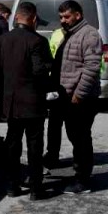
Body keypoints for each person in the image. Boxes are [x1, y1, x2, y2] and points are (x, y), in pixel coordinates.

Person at [0, 1, 54, 201]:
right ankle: (35, 188)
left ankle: (12, 186)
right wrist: (49, 68)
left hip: (11, 102)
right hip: (32, 103)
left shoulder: (3, 40)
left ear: (16, 18)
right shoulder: (37, 41)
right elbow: (39, 70)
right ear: (32, 19)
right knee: (34, 146)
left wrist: (4, 80)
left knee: (12, 146)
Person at [55, 0, 103, 194]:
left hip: (81, 99)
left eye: (66, 16)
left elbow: (91, 68)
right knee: (75, 136)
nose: (63, 21)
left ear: (77, 15)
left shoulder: (89, 35)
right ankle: (80, 174)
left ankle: (82, 180)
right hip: (68, 97)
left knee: (81, 138)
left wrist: (79, 95)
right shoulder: (71, 34)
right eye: (61, 17)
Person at [43, 19, 68, 168]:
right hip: (57, 84)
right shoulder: (58, 34)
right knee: (54, 124)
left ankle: (80, 159)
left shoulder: (83, 36)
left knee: (72, 127)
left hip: (67, 85)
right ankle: (52, 154)